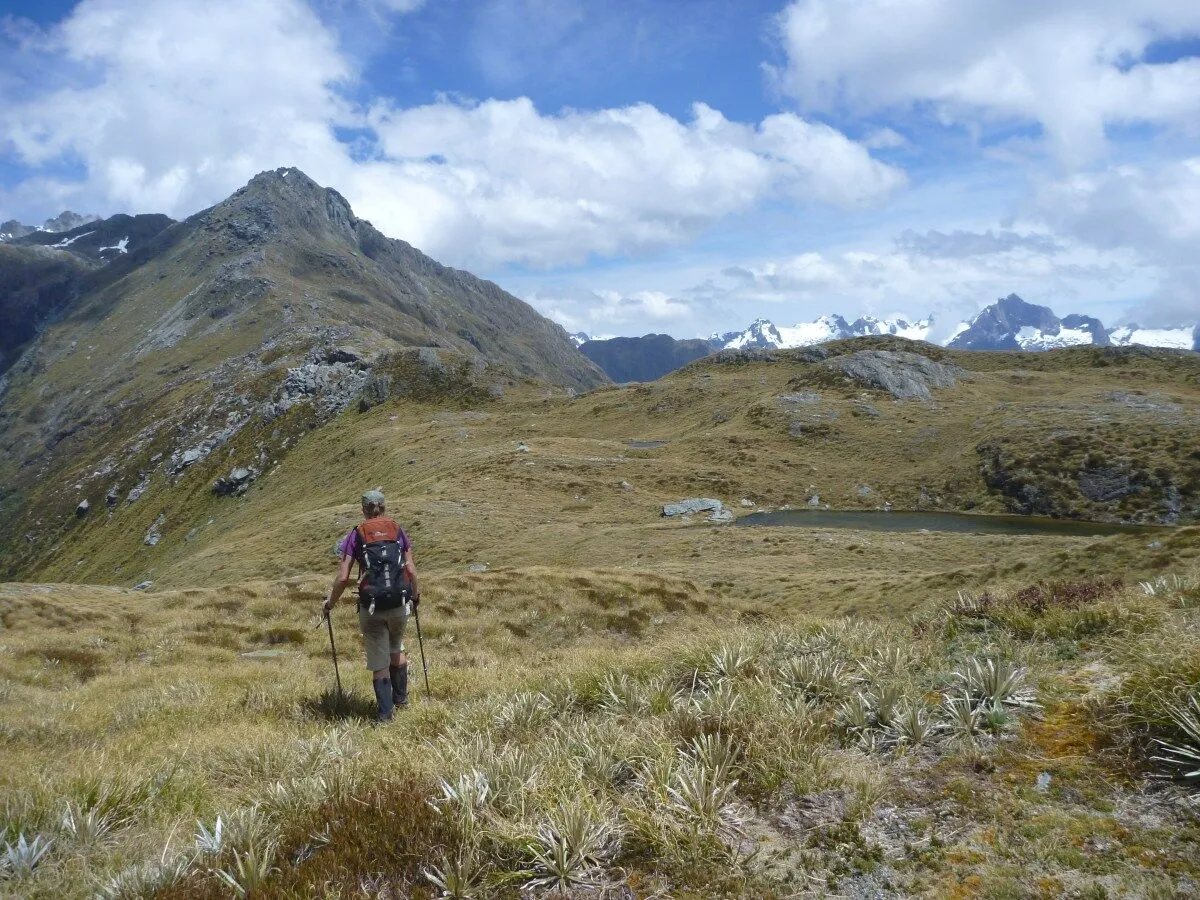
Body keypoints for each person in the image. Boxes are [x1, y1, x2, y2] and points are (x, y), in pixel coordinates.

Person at [322, 488, 419, 722]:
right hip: (398, 603)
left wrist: (330, 603)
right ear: (384, 506)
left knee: (379, 662)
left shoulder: (356, 535)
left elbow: (343, 577)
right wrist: (415, 596)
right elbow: (411, 569)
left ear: (363, 510)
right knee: (397, 647)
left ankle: (385, 717)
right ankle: (401, 702)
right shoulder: (397, 530)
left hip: (372, 607)